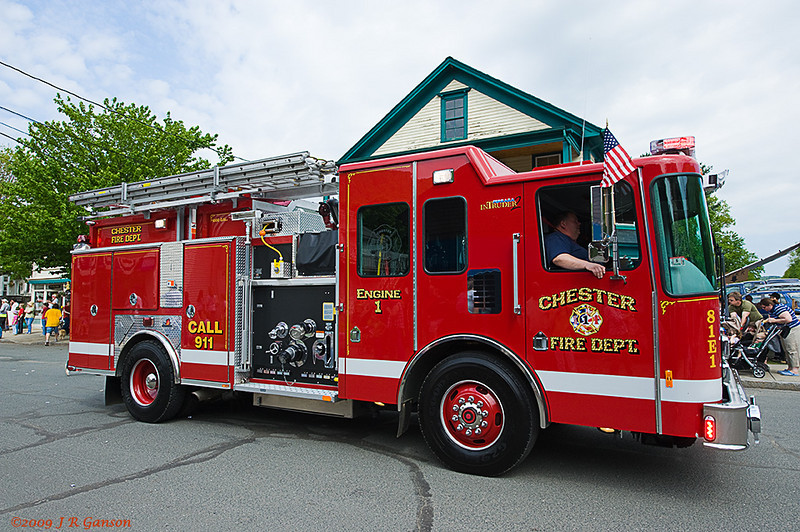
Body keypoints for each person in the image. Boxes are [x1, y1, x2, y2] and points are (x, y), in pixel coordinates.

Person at [544, 211, 605, 279]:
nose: (579, 223)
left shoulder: (569, 241)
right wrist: (588, 265)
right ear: (563, 224)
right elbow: (560, 259)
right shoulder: (556, 237)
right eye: (575, 221)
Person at [759, 297, 800, 376]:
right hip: (784, 330)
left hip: (791, 329)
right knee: (786, 349)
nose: (764, 309)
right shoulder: (772, 310)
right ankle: (790, 367)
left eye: (764, 307)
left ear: (770, 305)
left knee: (791, 349)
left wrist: (774, 320)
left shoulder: (778, 308)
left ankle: (795, 369)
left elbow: (788, 319)